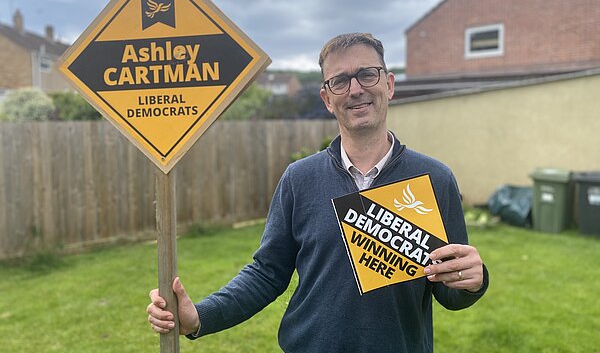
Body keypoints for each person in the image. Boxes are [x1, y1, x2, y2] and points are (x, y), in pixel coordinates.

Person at [147, 33, 489, 352]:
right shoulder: (300, 178)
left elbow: (448, 290)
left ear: (389, 84)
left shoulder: (435, 179)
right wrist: (200, 317)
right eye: (340, 81)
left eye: (367, 75)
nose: (355, 89)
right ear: (327, 98)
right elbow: (267, 272)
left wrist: (473, 281)